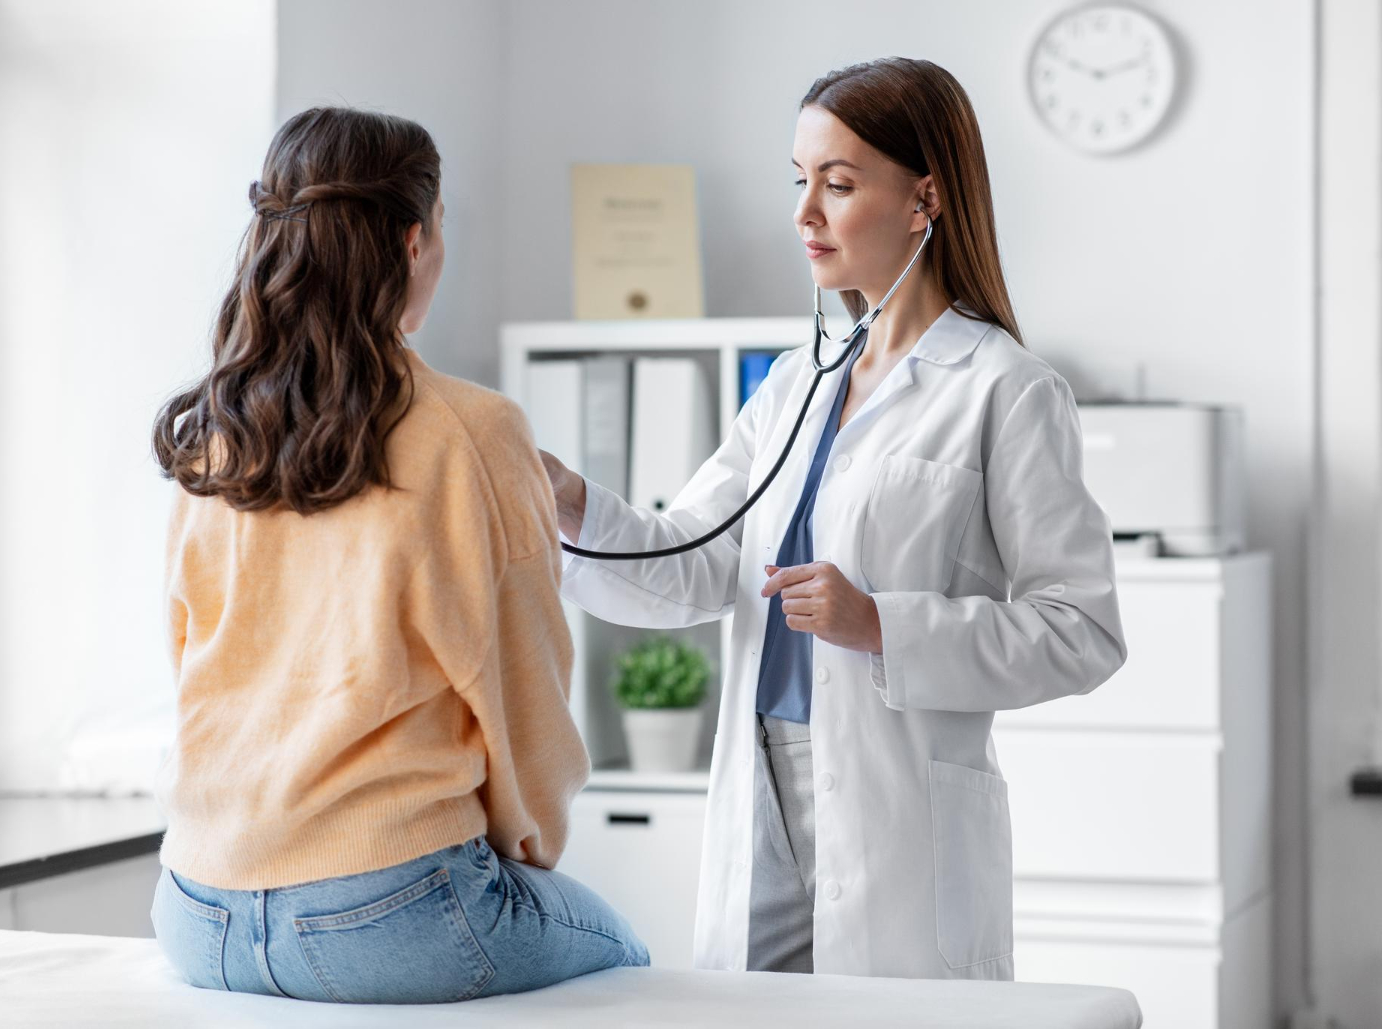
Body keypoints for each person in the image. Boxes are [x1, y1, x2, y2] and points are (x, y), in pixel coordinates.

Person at [539, 57, 1127, 981]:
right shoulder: (791, 385)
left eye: (839, 183)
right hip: (760, 783)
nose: (805, 211)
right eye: (800, 181)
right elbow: (696, 562)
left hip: (899, 810)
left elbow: (1082, 630)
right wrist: (573, 502)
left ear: (923, 197)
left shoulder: (1006, 390)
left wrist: (882, 623)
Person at [148, 106, 647, 1005]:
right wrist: (525, 855)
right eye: (443, 225)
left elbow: (191, 660)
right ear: (413, 242)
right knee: (630, 958)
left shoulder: (218, 434)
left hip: (195, 908)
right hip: (389, 911)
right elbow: (522, 689)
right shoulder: (473, 431)